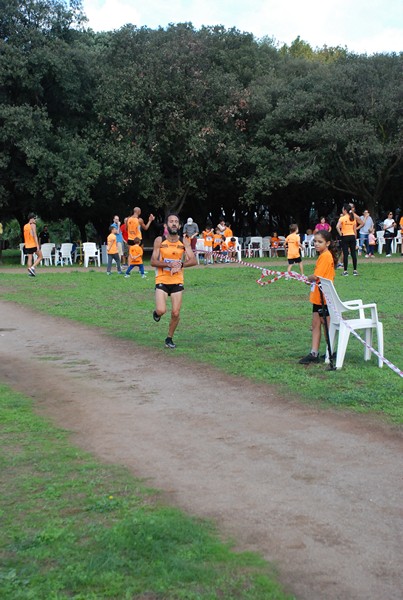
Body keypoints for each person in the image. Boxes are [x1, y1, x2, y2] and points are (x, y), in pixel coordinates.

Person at [150, 213, 197, 349]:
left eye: (176, 221)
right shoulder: (160, 240)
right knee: (161, 310)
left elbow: (193, 260)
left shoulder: (184, 241)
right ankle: (156, 313)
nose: (174, 224)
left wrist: (181, 265)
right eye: (171, 221)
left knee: (176, 313)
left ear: (180, 225)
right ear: (166, 225)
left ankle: (169, 338)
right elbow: (153, 261)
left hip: (177, 280)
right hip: (162, 279)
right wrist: (167, 265)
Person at [298, 230, 337, 364]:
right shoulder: (322, 256)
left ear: (328, 243)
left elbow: (316, 277)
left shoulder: (326, 256)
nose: (316, 244)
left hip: (324, 298)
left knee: (326, 325)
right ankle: (314, 353)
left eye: (320, 242)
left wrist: (305, 278)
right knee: (315, 324)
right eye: (315, 241)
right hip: (318, 297)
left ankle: (331, 352)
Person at [336, 204, 358, 276]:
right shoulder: (353, 218)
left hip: (345, 236)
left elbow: (337, 226)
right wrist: (355, 237)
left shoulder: (342, 218)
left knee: (345, 254)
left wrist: (340, 233)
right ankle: (355, 270)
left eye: (343, 209)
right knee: (353, 254)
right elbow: (355, 229)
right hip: (352, 236)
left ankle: (345, 271)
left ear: (345, 210)